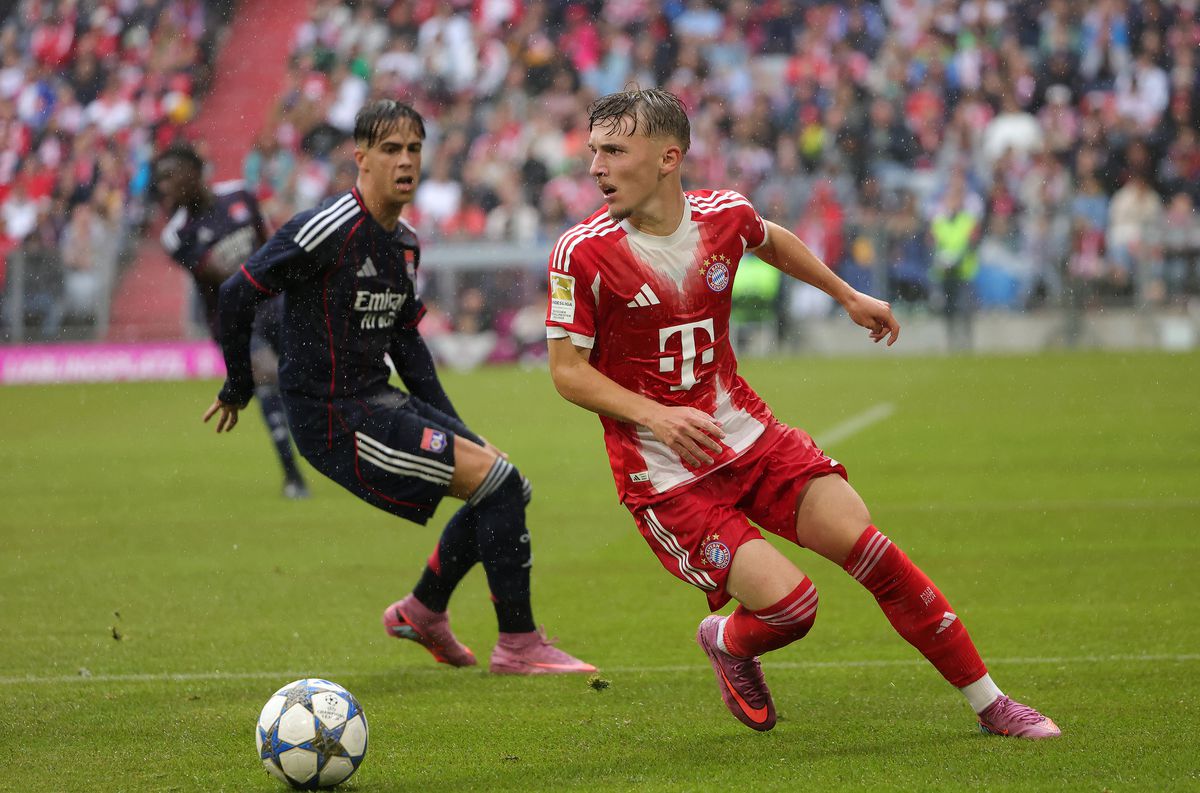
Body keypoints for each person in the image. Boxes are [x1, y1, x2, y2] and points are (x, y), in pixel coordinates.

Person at [546, 88, 1060, 737]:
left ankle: (992, 703)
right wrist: (657, 415)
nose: (595, 167)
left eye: (614, 150)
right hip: (666, 475)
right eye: (593, 151)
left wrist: (845, 293)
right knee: (793, 606)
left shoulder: (724, 215)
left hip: (750, 435)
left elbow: (770, 238)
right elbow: (567, 372)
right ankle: (731, 639)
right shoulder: (581, 251)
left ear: (669, 157)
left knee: (870, 546)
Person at [203, 100, 593, 676]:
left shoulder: (404, 242)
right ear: (360, 159)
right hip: (334, 419)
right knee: (501, 485)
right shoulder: (325, 229)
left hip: (379, 401)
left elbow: (408, 347)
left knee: (507, 484)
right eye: (391, 149)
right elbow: (237, 293)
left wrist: (462, 431)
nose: (405, 161)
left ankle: (423, 611)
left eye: (413, 148)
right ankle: (517, 645)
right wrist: (238, 384)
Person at [155, 143, 310, 499]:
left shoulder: (241, 194)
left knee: (308, 374)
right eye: (160, 180)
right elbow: (226, 276)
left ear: (194, 172)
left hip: (275, 304)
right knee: (267, 374)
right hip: (234, 321)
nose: (163, 186)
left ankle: (327, 447)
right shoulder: (177, 235)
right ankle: (293, 476)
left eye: (169, 176)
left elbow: (270, 245)